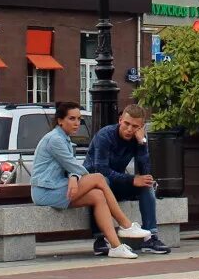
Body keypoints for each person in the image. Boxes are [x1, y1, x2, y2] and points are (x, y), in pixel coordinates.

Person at [29, 102, 152, 259]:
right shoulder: (55, 140)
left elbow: (71, 168)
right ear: (60, 120)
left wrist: (74, 178)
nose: (76, 123)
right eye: (71, 118)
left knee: (98, 196)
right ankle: (126, 225)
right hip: (45, 191)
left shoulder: (64, 139)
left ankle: (116, 247)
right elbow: (75, 167)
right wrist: (76, 176)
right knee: (99, 178)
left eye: (79, 119)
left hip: (59, 188)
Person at [84, 103, 171, 255]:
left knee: (146, 184)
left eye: (135, 126)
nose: (130, 129)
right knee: (103, 182)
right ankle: (100, 239)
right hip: (94, 184)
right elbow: (100, 170)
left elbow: (145, 172)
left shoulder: (138, 139)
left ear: (141, 127)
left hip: (117, 183)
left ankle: (150, 237)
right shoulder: (105, 135)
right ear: (120, 120)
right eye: (126, 124)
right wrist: (131, 180)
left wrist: (142, 143)